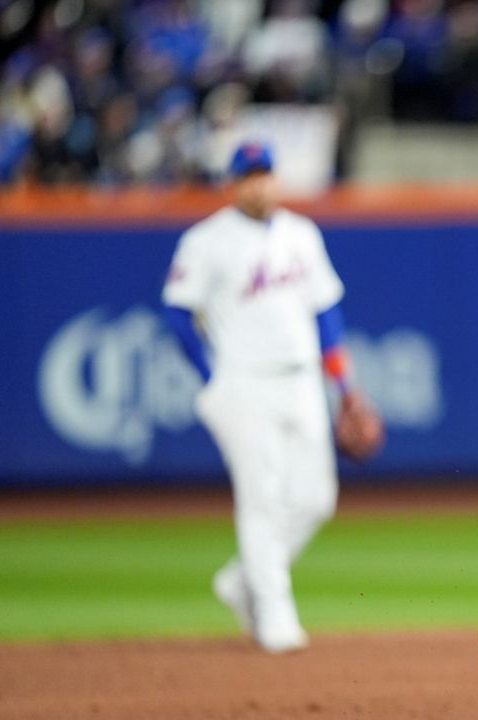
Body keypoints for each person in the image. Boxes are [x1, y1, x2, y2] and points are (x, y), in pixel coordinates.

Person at [162, 142, 356, 653]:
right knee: (262, 498)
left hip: (301, 380)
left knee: (316, 499)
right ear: (232, 185)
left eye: (265, 173)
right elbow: (178, 313)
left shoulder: (301, 233)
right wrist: (211, 377)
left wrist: (344, 383)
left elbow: (325, 313)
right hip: (242, 383)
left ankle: (243, 580)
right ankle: (275, 617)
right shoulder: (206, 241)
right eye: (248, 175)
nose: (259, 183)